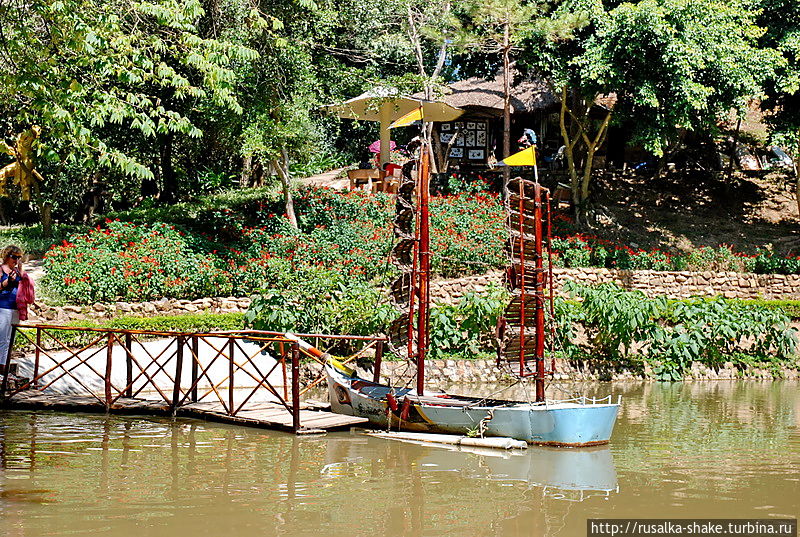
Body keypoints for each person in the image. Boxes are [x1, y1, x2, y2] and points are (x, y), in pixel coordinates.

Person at [0, 245, 24, 370]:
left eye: (19, 257)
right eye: (14, 257)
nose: (16, 260)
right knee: (2, 338)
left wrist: (21, 270)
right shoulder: (1, 270)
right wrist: (8, 281)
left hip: (15, 308)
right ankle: (1, 367)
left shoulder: (18, 271)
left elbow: (26, 286)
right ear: (7, 257)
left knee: (10, 340)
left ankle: (5, 365)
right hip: (3, 307)